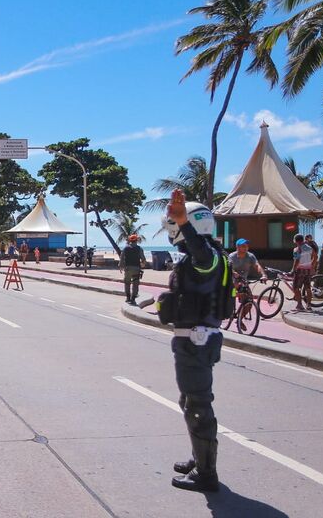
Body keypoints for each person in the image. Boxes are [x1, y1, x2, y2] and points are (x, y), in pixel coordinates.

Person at [160, 189, 228, 493]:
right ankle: (199, 459)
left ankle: (206, 474)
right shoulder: (212, 256)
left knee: (199, 404)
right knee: (189, 401)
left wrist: (184, 223)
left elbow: (201, 257)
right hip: (196, 340)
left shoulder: (207, 257)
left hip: (196, 341)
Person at [119, 234, 147, 305]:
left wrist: (120, 266)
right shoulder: (139, 248)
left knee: (127, 283)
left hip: (128, 268)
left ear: (130, 241)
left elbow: (121, 259)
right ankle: (133, 299)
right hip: (136, 268)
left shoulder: (125, 248)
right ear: (136, 240)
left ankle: (128, 297)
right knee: (135, 284)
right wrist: (142, 264)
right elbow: (143, 259)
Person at [291, 234, 316, 311]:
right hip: (308, 269)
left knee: (295, 287)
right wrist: (311, 265)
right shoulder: (309, 248)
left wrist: (293, 270)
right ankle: (308, 305)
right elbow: (315, 256)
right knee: (308, 288)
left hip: (300, 270)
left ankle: (300, 304)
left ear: (296, 241)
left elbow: (297, 260)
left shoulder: (297, 249)